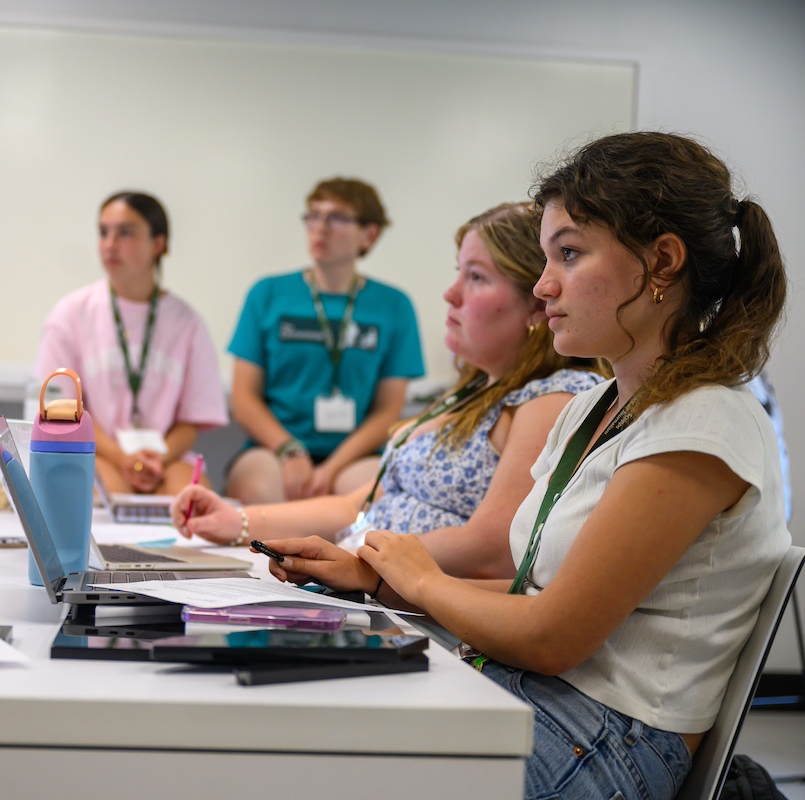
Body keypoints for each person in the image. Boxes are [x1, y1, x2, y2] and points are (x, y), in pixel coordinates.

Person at [263, 133, 791, 800]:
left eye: (569, 254)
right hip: (536, 696)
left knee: (310, 766)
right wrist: (376, 580)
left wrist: (421, 581)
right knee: (288, 732)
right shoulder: (593, 408)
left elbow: (551, 637)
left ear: (661, 262)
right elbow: (534, 601)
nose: (544, 286)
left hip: (603, 739)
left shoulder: (706, 420)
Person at [174, 203, 604, 579]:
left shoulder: (552, 398)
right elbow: (355, 508)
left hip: (404, 601)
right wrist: (238, 521)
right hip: (367, 577)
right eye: (458, 272)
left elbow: (490, 551)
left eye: (475, 277)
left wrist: (353, 562)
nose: (450, 294)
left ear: (534, 302)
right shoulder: (472, 393)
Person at [226, 177, 425, 505]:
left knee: (378, 500)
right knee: (264, 495)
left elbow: (388, 410)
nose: (320, 227)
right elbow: (243, 399)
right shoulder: (268, 293)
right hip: (275, 450)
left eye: (337, 218)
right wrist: (289, 451)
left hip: (353, 456)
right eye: (314, 215)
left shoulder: (394, 305)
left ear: (369, 234)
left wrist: (332, 467)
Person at [34, 191, 227, 496]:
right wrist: (122, 457)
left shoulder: (187, 323)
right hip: (96, 451)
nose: (109, 244)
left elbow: (191, 420)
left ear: (158, 244)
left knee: (193, 497)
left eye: (125, 232)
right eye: (103, 232)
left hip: (164, 457)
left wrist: (156, 458)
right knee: (102, 491)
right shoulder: (71, 313)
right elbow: (63, 409)